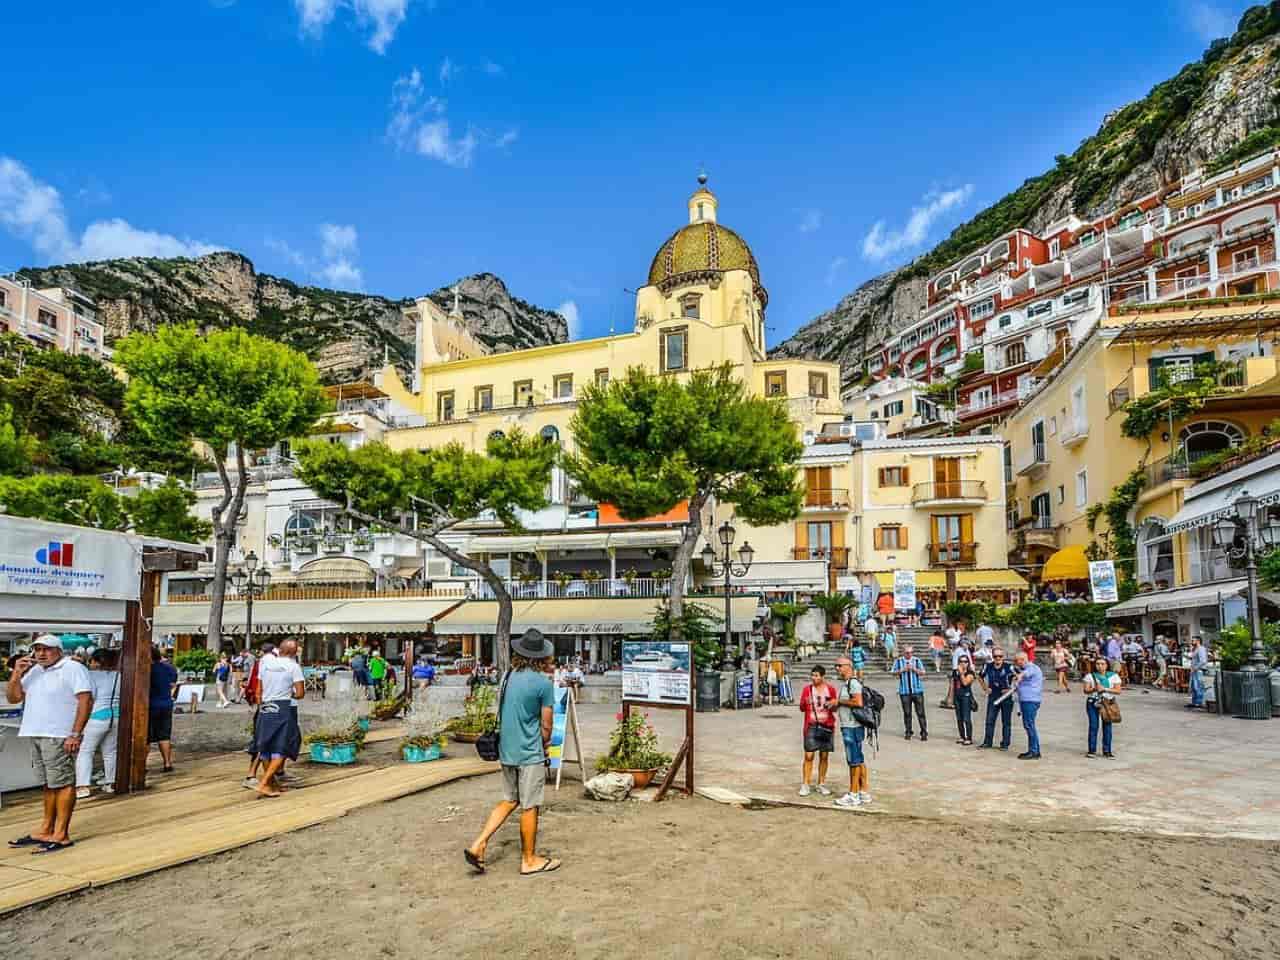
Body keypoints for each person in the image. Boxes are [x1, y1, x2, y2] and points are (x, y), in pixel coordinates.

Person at [466, 629, 560, 877]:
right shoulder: (543, 684)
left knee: (510, 799)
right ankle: (529, 860)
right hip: (530, 752)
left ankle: (479, 843)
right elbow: (547, 726)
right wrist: (545, 743)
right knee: (530, 805)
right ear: (541, 657)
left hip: (507, 749)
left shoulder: (508, 676)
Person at [6, 635, 93, 853]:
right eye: (38, 649)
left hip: (59, 734)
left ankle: (61, 834)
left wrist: (75, 733)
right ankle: (46, 828)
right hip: (35, 732)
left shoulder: (73, 668)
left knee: (63, 783)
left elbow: (86, 700)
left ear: (59, 650)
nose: (41, 653)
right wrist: (16, 673)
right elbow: (13, 698)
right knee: (48, 783)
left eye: (47, 649)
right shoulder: (35, 671)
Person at [253, 639, 305, 798]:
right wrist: (291, 694)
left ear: (279, 650)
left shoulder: (266, 664)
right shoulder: (293, 667)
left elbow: (258, 689)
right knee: (282, 746)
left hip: (265, 707)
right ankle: (264, 783)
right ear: (294, 652)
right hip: (283, 706)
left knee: (265, 746)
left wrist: (261, 703)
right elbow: (300, 693)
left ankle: (271, 784)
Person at [75, 649, 120, 800]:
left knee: (86, 751)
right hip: (116, 716)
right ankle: (110, 783)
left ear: (96, 662)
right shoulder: (119, 675)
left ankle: (83, 786)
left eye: (91, 661)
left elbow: (88, 698)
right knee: (110, 752)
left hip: (96, 717)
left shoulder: (90, 675)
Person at [831, 656, 870, 809]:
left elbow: (858, 702)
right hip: (851, 726)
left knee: (853, 761)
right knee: (858, 759)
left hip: (852, 726)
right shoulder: (848, 684)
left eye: (839, 665)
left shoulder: (852, 683)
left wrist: (839, 702)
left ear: (848, 666)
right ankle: (863, 791)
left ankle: (853, 793)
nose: (837, 668)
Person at [797, 666, 838, 797]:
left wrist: (833, 704)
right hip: (811, 725)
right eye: (812, 675)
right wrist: (805, 702)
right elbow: (802, 708)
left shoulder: (830, 689)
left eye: (816, 676)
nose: (814, 678)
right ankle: (805, 783)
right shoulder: (807, 690)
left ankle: (821, 783)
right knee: (809, 755)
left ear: (822, 676)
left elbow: (835, 708)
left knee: (824, 755)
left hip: (827, 725)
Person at [1083, 655, 1122, 759]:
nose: (1100, 666)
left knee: (1107, 726)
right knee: (1093, 726)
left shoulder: (1113, 676)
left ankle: (1107, 750)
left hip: (1108, 703)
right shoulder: (1090, 676)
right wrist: (1094, 689)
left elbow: (1118, 690)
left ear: (1107, 665)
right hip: (1093, 702)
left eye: (1102, 664)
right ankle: (1092, 750)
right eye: (1097, 664)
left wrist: (1105, 689)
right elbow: (1086, 690)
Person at [978, 648, 1015, 750]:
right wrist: (985, 687)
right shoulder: (988, 666)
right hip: (993, 695)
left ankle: (1005, 744)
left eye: (1000, 656)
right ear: (992, 657)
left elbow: (1019, 676)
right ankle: (987, 742)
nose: (998, 658)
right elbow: (980, 676)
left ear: (1003, 657)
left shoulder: (1009, 667)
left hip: (1006, 697)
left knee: (1006, 721)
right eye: (995, 656)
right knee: (990, 720)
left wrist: (1011, 688)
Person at [149, 646, 178, 772]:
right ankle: (167, 763)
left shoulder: (147, 669)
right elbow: (173, 684)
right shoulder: (170, 668)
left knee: (146, 737)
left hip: (150, 705)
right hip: (166, 704)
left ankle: (141, 765)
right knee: (164, 735)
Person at [892, 645, 928, 742]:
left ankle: (924, 732)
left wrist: (914, 669)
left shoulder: (916, 661)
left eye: (911, 652)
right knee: (907, 713)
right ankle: (908, 731)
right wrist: (902, 670)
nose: (909, 654)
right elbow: (893, 672)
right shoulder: (899, 661)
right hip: (905, 691)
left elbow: (923, 672)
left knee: (920, 713)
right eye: (907, 653)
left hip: (917, 690)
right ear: (903, 652)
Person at [1012, 651, 1044, 759]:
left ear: (1022, 660)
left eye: (1017, 661)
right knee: (1029, 725)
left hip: (1030, 700)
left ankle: (1034, 751)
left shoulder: (1031, 667)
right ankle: (1034, 750)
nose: (1016, 663)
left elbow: (1026, 673)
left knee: (1029, 725)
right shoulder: (1026, 668)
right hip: (1026, 700)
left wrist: (1020, 676)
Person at [951, 653, 977, 745]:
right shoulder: (955, 672)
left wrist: (961, 673)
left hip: (966, 696)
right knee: (959, 718)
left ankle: (969, 738)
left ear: (968, 663)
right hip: (957, 696)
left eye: (965, 662)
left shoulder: (970, 673)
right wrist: (951, 698)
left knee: (966, 718)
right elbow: (953, 685)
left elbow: (965, 683)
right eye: (961, 661)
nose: (963, 663)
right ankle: (962, 736)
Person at [1186, 636, 1208, 709]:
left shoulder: (1201, 649)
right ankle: (1194, 702)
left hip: (1198, 670)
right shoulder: (1195, 649)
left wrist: (1195, 668)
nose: (1191, 642)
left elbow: (1203, 661)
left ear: (1198, 641)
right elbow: (1194, 658)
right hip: (1194, 670)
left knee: (1198, 686)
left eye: (1193, 640)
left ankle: (1199, 702)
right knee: (1194, 687)